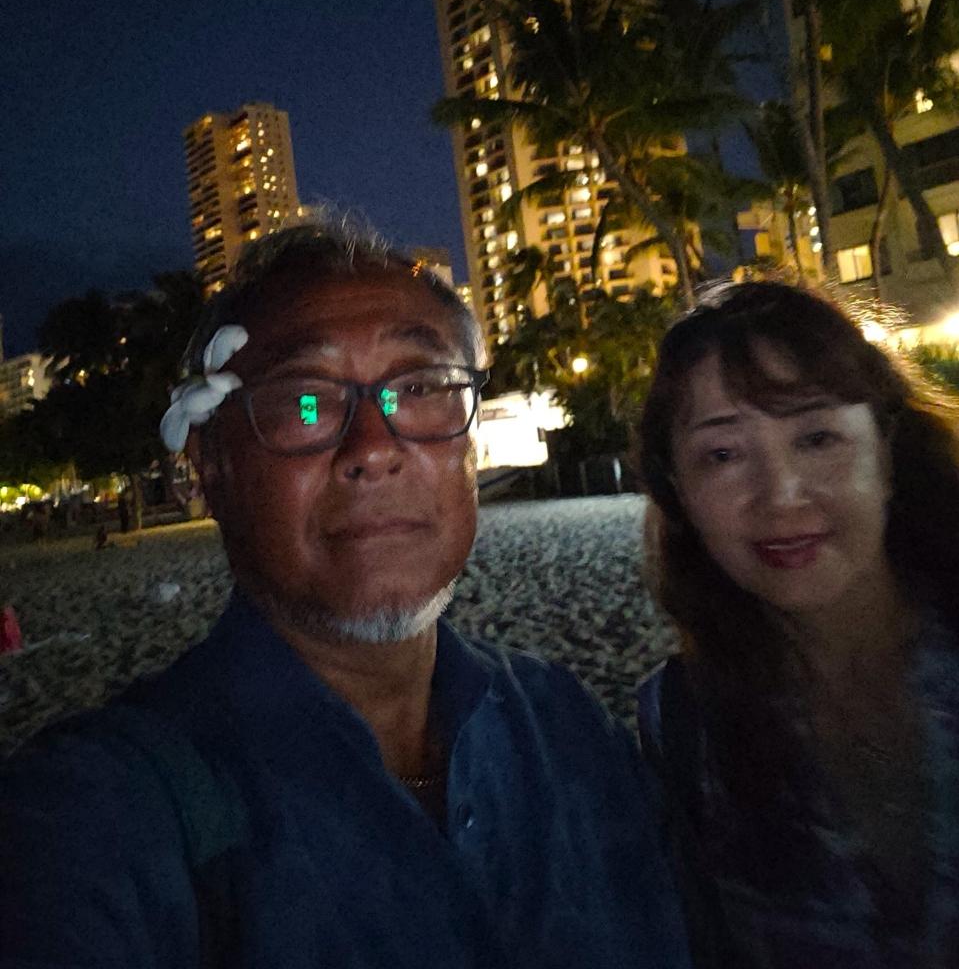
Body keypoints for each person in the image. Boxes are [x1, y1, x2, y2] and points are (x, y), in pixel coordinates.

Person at [0, 211, 691, 969]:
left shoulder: (566, 725)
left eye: (419, 388)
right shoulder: (104, 809)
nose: (373, 448)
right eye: (307, 400)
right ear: (207, 469)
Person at [635, 278, 959, 968]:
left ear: (886, 450)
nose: (780, 496)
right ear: (679, 492)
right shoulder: (685, 722)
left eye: (816, 437)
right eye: (723, 455)